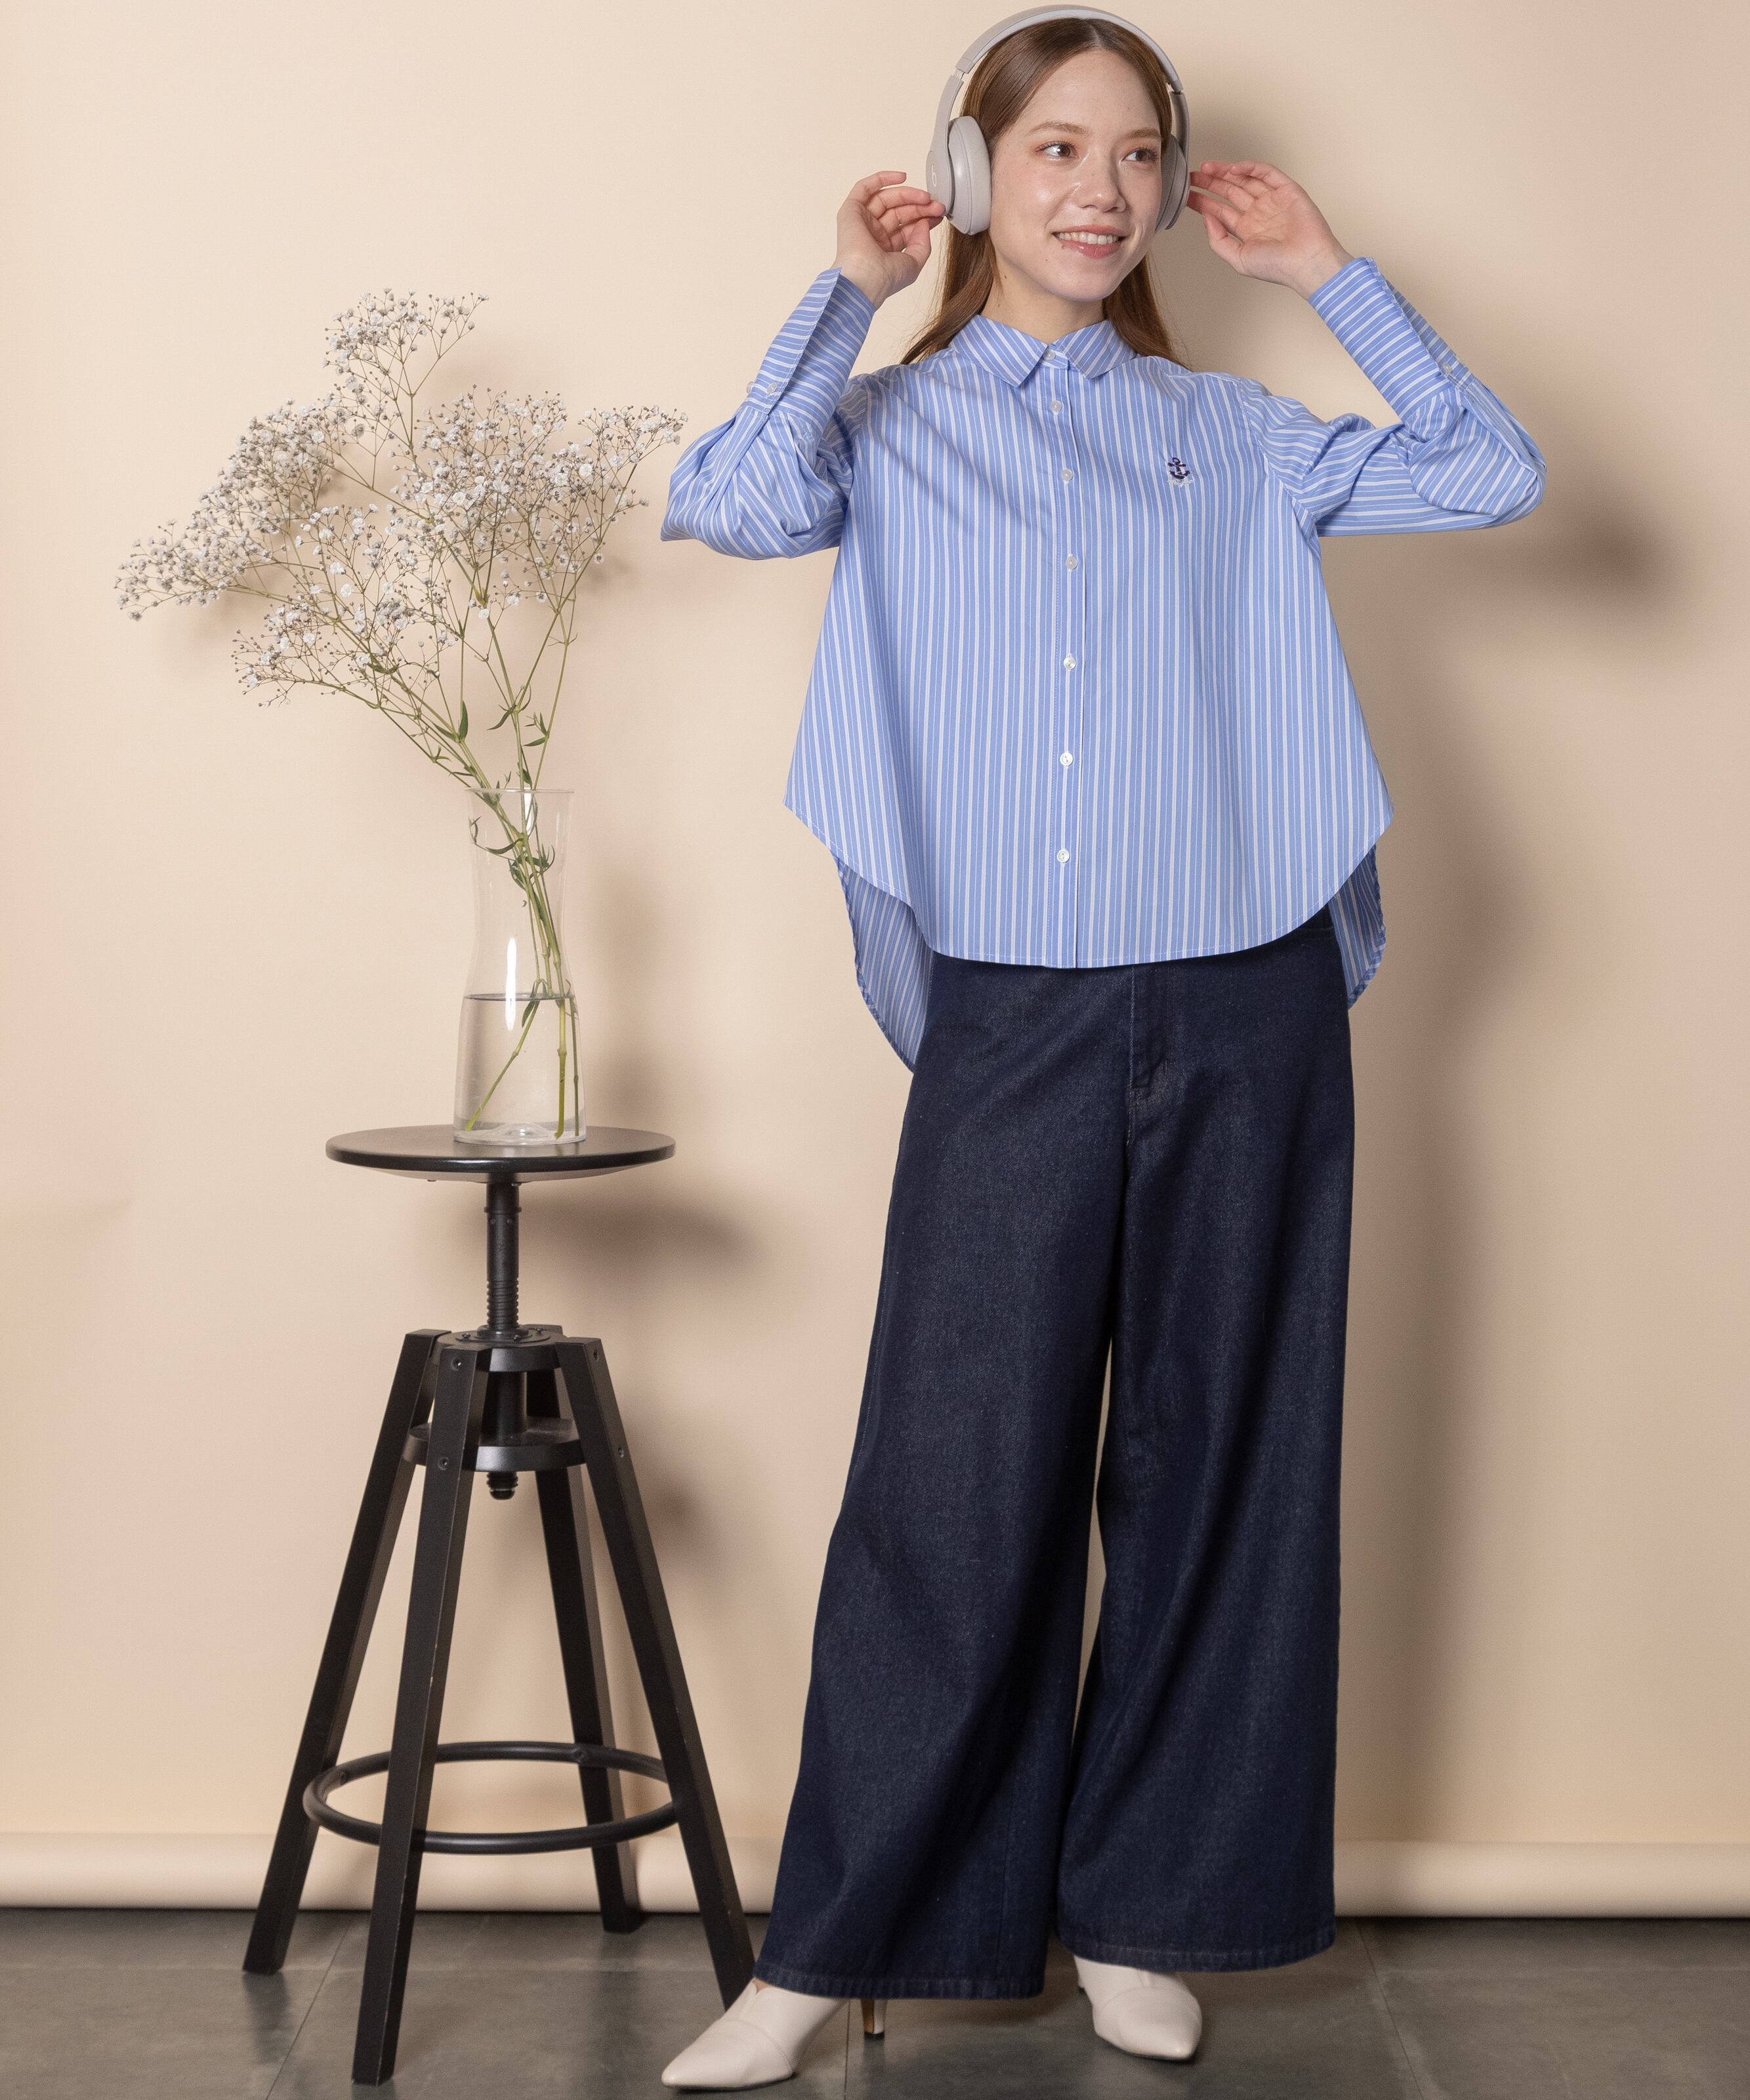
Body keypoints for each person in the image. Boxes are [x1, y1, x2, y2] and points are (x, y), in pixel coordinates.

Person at [655, 9, 1545, 2088]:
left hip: (1248, 989)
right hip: (1015, 1008)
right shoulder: (883, 427)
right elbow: (729, 500)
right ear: (975, 173)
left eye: (1135, 152)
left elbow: (1489, 470)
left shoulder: (1232, 429)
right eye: (1053, 148)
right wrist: (842, 291)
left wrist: (1329, 273)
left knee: (1223, 1463)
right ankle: (832, 1949)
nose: (1101, 190)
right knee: (952, 1478)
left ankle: (1153, 1911)